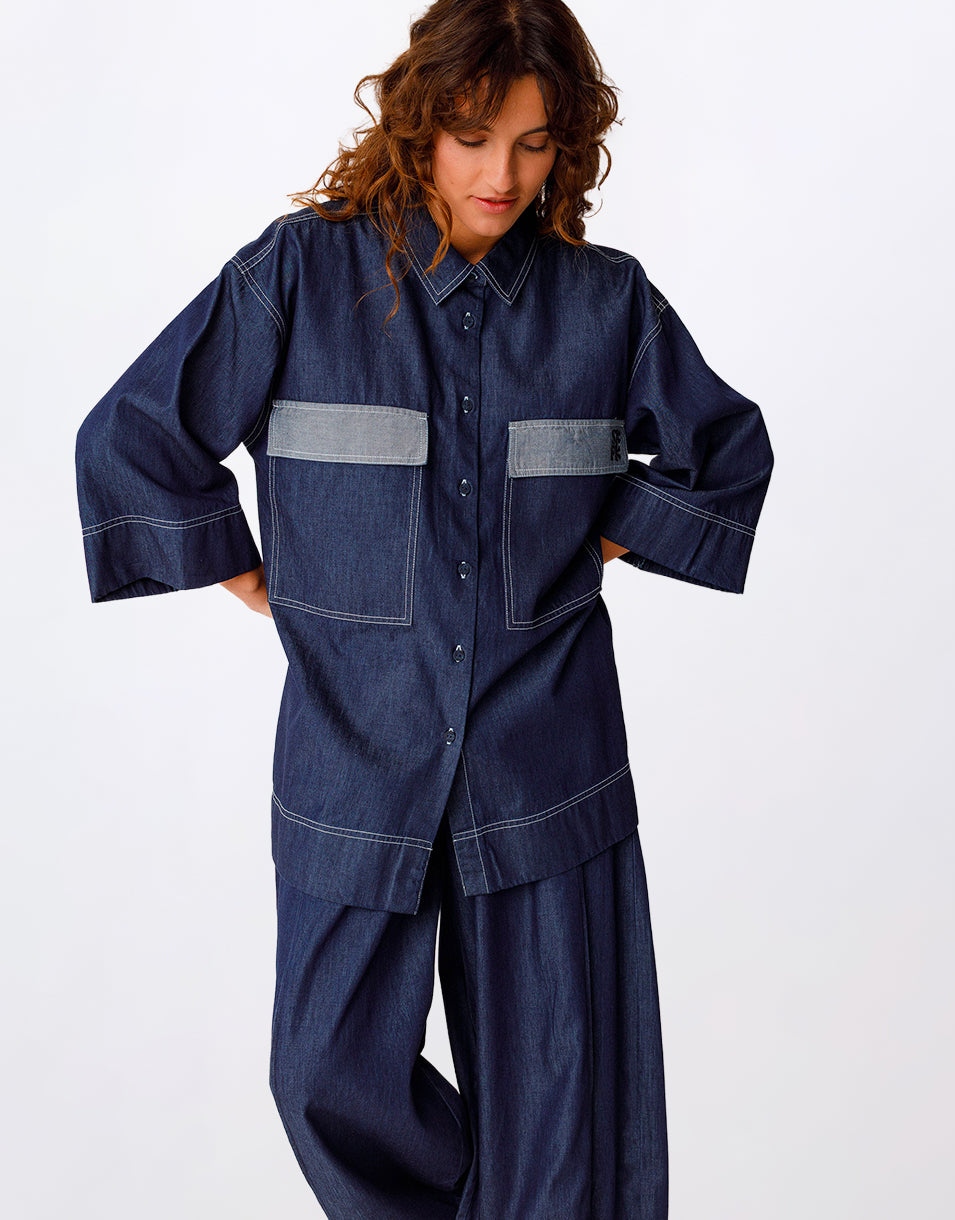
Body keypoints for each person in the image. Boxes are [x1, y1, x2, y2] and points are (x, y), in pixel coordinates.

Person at [74, 0, 774, 1215]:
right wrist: (249, 571)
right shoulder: (300, 276)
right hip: (355, 759)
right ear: (419, 125)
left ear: (568, 146)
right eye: (473, 137)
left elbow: (727, 451)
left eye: (536, 143)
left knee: (564, 1113)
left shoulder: (606, 304)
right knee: (323, 1075)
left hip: (546, 763)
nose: (504, 175)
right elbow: (133, 437)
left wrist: (609, 532)